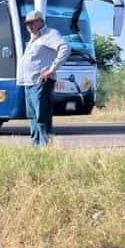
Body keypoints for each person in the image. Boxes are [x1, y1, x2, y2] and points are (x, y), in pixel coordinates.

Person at [19, 10, 71, 146]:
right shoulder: (33, 37)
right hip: (29, 83)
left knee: (42, 117)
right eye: (27, 23)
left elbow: (65, 48)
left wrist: (51, 69)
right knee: (32, 117)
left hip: (41, 82)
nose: (28, 26)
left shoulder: (50, 34)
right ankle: (35, 148)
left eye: (31, 23)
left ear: (40, 22)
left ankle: (46, 147)